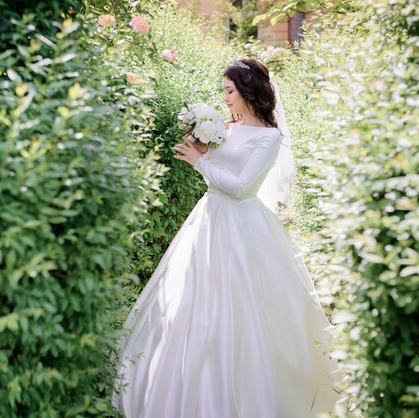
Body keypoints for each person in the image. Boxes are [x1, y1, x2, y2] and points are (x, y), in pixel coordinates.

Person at [113, 58, 339, 417]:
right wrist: (203, 152)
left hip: (243, 225)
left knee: (244, 307)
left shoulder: (269, 137)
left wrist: (199, 161)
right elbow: (218, 176)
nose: (225, 97)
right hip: (208, 218)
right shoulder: (228, 129)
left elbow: (242, 187)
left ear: (249, 91)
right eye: (224, 91)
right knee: (190, 299)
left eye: (229, 91)